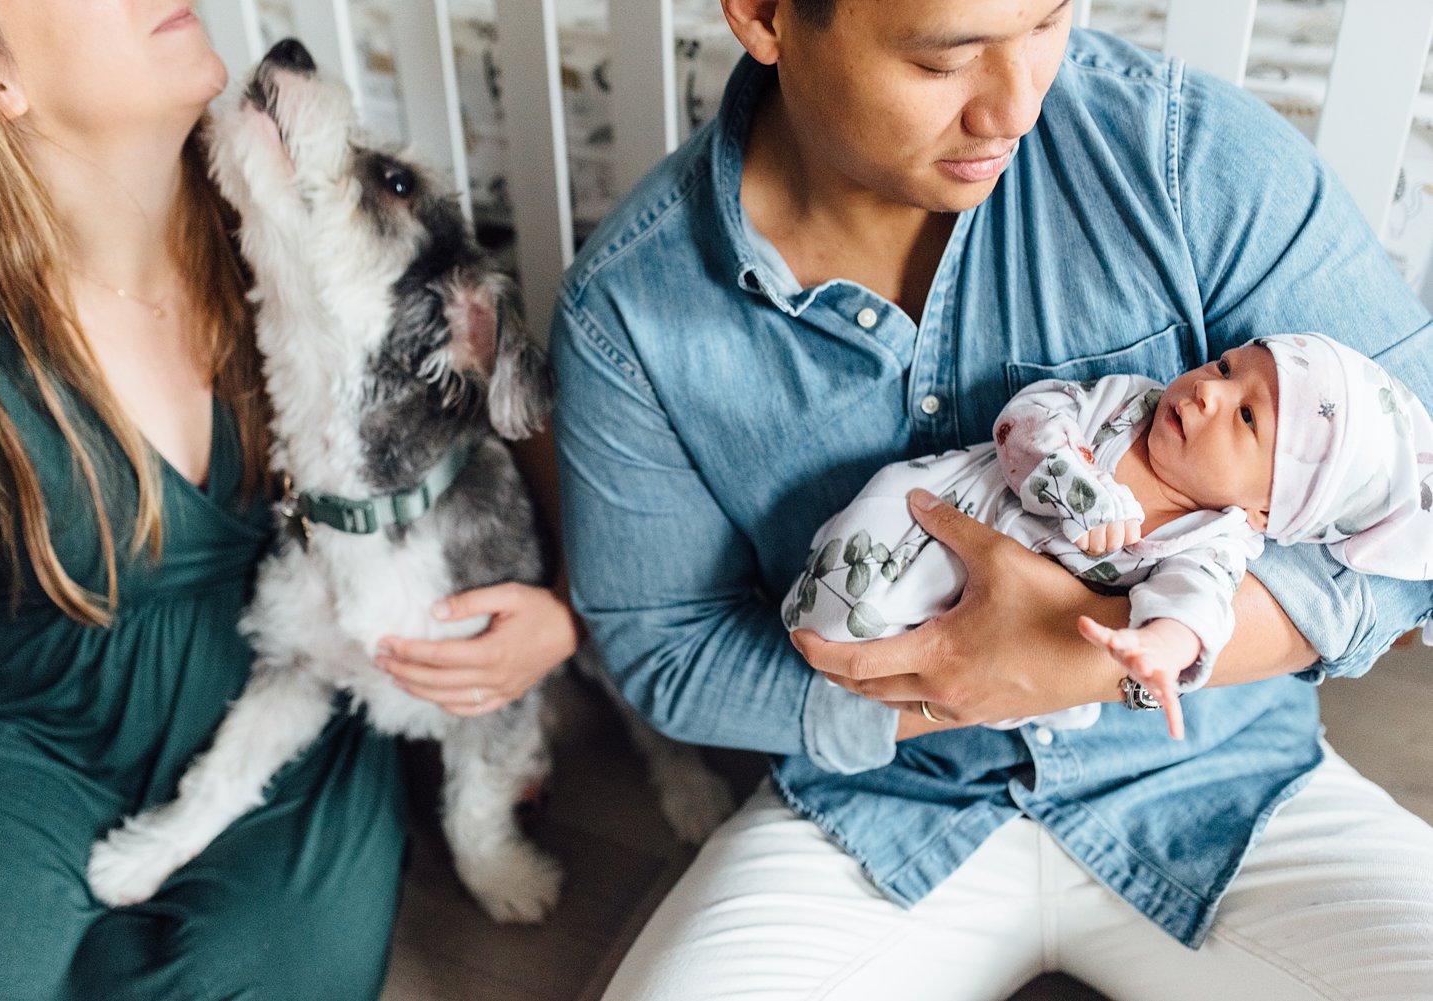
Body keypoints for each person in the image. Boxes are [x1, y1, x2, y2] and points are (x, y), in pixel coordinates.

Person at [551, 0, 1433, 997]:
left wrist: (1082, 660)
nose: (1018, 107)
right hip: (880, 809)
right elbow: (669, 648)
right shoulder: (629, 313)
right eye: (946, 60)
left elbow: (1422, 492)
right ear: (764, 14)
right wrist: (947, 685)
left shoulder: (1184, 154)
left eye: (1051, 19)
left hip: (1230, 788)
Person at [0, 2, 577, 998]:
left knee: (280, 975)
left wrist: (560, 612)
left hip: (288, 718)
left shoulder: (280, 226)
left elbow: (504, 418)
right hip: (24, 731)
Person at [786, 334, 1433, 741]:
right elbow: (1030, 417)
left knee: (972, 677)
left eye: (1246, 416)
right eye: (1227, 365)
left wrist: (1157, 647)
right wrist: (1079, 487)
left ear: (1268, 510)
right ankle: (829, 640)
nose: (1209, 390)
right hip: (944, 515)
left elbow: (1196, 608)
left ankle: (864, 706)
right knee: (850, 578)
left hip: (998, 619)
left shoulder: (1215, 544)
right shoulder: (1131, 404)